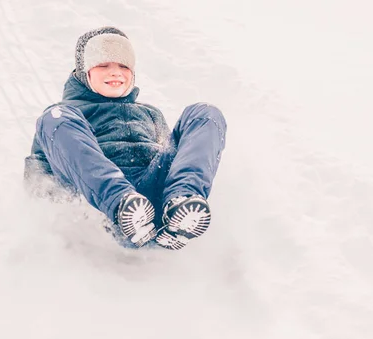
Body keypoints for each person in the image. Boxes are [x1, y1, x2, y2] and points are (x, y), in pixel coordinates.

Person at [24, 26, 227, 250]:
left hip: (153, 197)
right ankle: (122, 206)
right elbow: (39, 177)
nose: (116, 72)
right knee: (54, 115)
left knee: (204, 112)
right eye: (103, 65)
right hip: (99, 202)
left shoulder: (150, 113)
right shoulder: (65, 117)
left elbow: (175, 155)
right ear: (84, 72)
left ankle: (180, 203)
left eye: (124, 65)